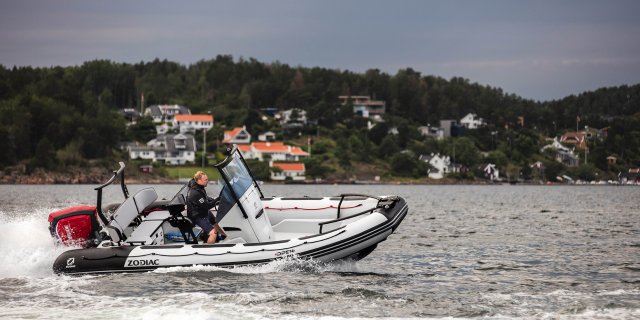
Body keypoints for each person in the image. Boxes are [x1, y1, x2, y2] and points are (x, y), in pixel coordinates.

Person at [186, 171, 227, 244]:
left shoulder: (200, 187)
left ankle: (224, 237)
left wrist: (217, 199)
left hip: (202, 211)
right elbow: (207, 206)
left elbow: (206, 198)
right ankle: (208, 250)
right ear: (199, 180)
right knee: (213, 233)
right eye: (205, 180)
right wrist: (218, 199)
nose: (208, 181)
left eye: (207, 179)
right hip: (197, 216)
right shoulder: (195, 193)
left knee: (216, 223)